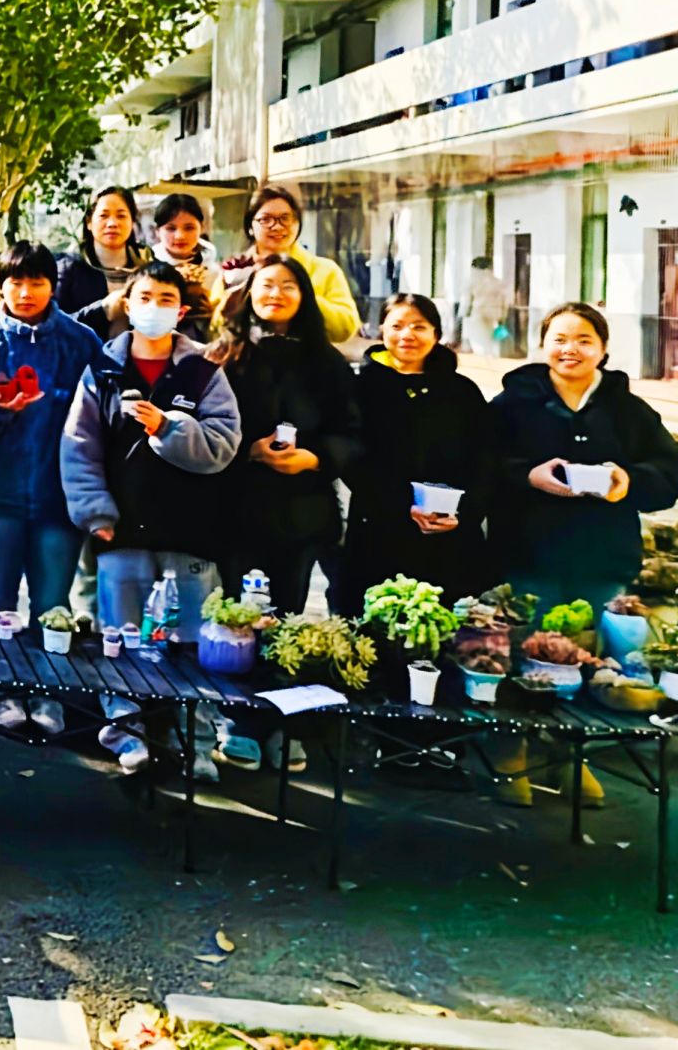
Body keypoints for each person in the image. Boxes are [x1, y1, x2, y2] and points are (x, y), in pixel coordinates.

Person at [487, 302, 678, 808]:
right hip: (528, 553)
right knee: (521, 653)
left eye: (583, 340)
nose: (570, 349)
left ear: (603, 348)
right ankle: (511, 752)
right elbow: (481, 463)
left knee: (586, 662)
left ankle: (571, 756)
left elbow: (669, 472)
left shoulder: (628, 410)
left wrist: (628, 482)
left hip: (601, 558)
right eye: (559, 339)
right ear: (542, 345)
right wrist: (527, 475)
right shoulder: (512, 404)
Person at [62, 261, 241, 775]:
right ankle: (126, 736)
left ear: (181, 311)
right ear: (128, 304)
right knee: (120, 638)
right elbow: (79, 447)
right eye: (145, 297)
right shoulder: (103, 369)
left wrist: (168, 428)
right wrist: (95, 512)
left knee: (193, 642)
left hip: (190, 530)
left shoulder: (203, 371)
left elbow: (223, 444)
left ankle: (195, 742)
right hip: (121, 529)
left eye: (166, 299)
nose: (155, 308)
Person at [210, 255, 362, 773]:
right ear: (249, 293)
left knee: (287, 622)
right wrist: (247, 452)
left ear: (304, 296)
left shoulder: (327, 362)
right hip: (235, 509)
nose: (275, 293)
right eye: (266, 284)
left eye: (288, 285)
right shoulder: (225, 354)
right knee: (234, 621)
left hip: (301, 513)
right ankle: (236, 723)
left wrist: (316, 458)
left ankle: (279, 724)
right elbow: (203, 429)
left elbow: (352, 433)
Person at [0, 243, 106, 644]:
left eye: (36, 283)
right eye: (15, 282)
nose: (25, 293)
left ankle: (49, 681)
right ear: (1, 286)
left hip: (60, 499)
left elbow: (101, 416)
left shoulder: (82, 342)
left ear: (52, 287)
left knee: (53, 609)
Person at [332, 294, 493, 616]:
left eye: (419, 327)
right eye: (397, 326)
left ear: (436, 333)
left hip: (451, 535)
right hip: (380, 530)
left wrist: (465, 512)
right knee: (376, 623)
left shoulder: (462, 391)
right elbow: (351, 458)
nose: (408, 335)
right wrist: (400, 503)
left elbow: (486, 459)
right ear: (382, 330)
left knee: (447, 627)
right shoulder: (361, 389)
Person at [219, 184, 360, 345]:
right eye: (266, 219)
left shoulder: (325, 270)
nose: (277, 226)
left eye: (285, 218)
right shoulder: (235, 270)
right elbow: (214, 327)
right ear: (250, 225)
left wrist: (302, 295)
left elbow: (345, 329)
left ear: (297, 223)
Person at [57, 186, 153, 342]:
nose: (112, 223)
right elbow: (53, 326)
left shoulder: (148, 269)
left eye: (121, 216)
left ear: (132, 221)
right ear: (89, 222)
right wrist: (102, 310)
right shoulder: (69, 268)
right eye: (104, 215)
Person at [149, 193, 220, 342]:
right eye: (171, 228)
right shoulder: (147, 270)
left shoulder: (214, 272)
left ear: (202, 227)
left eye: (189, 228)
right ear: (157, 231)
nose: (180, 236)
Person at [462, 257, 509, 353]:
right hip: (495, 315)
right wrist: (503, 318)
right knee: (492, 343)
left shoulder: (472, 282)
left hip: (479, 314)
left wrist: (463, 317)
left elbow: (466, 303)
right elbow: (504, 303)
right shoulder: (499, 283)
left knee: (480, 344)